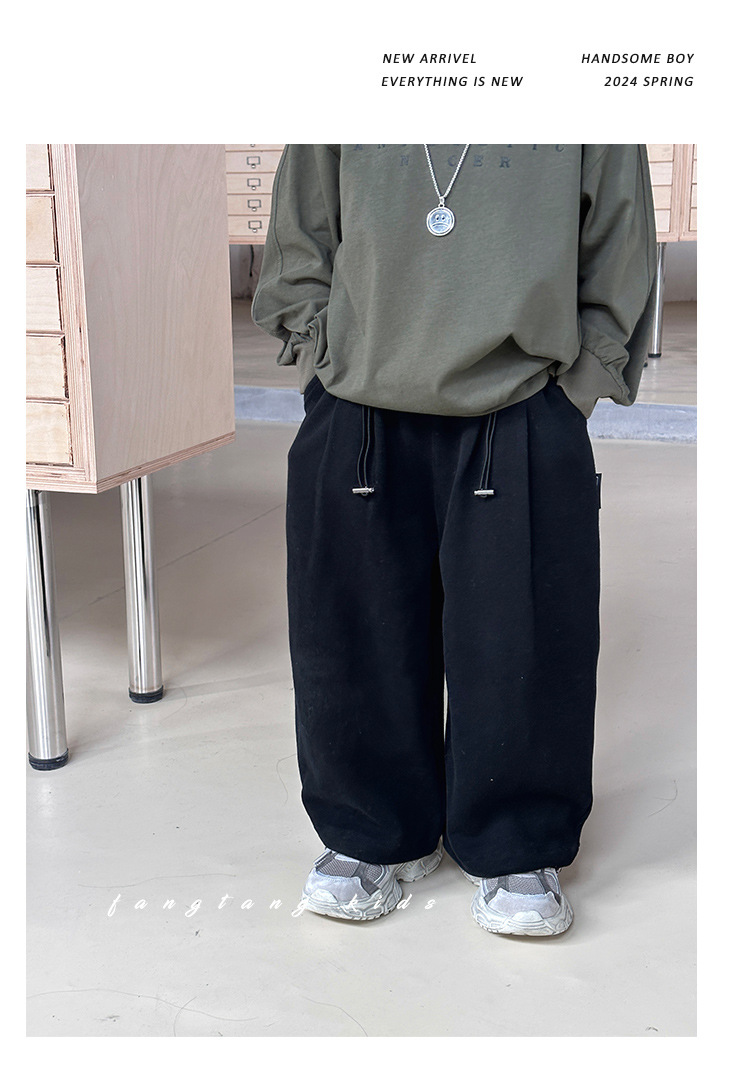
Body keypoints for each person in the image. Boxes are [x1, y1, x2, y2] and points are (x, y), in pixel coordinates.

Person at [251, 144, 657, 936]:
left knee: (524, 635)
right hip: (359, 395)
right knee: (352, 628)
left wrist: (576, 388)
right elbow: (302, 230)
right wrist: (322, 357)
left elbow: (619, 235)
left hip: (525, 396)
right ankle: (372, 828)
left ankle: (517, 838)